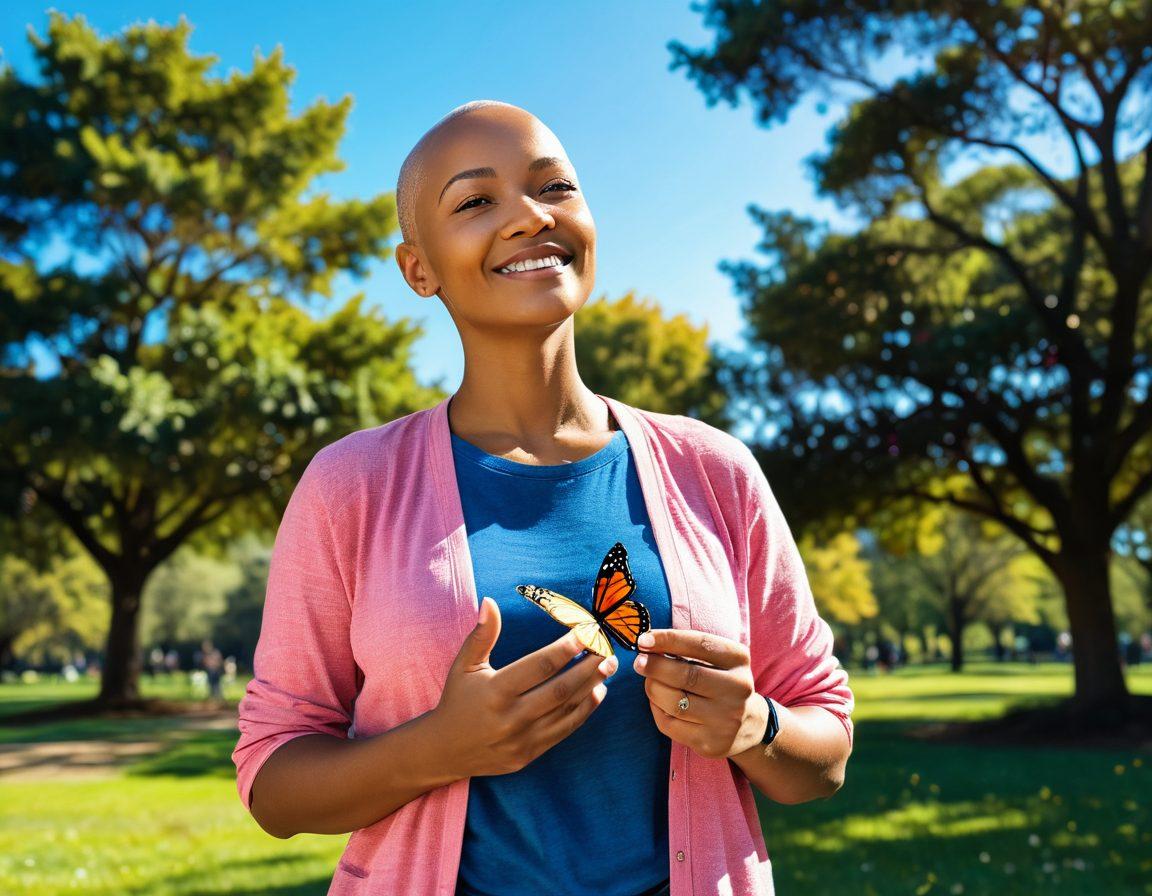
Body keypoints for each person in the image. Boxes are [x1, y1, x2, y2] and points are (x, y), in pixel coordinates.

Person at [232, 100, 854, 896]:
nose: (530, 216)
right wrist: (439, 748)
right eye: (475, 200)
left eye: (554, 187)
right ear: (417, 267)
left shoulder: (716, 469)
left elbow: (824, 755)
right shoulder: (350, 485)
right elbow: (272, 781)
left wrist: (752, 724)